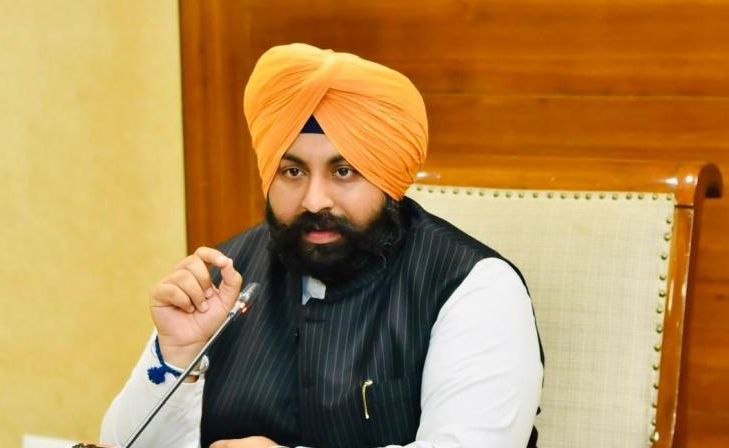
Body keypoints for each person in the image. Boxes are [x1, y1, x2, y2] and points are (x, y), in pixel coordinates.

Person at [101, 43, 543, 448]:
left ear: (389, 179)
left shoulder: (473, 288)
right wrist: (176, 357)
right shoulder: (223, 278)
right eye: (292, 172)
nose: (314, 201)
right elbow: (122, 444)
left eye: (343, 171)